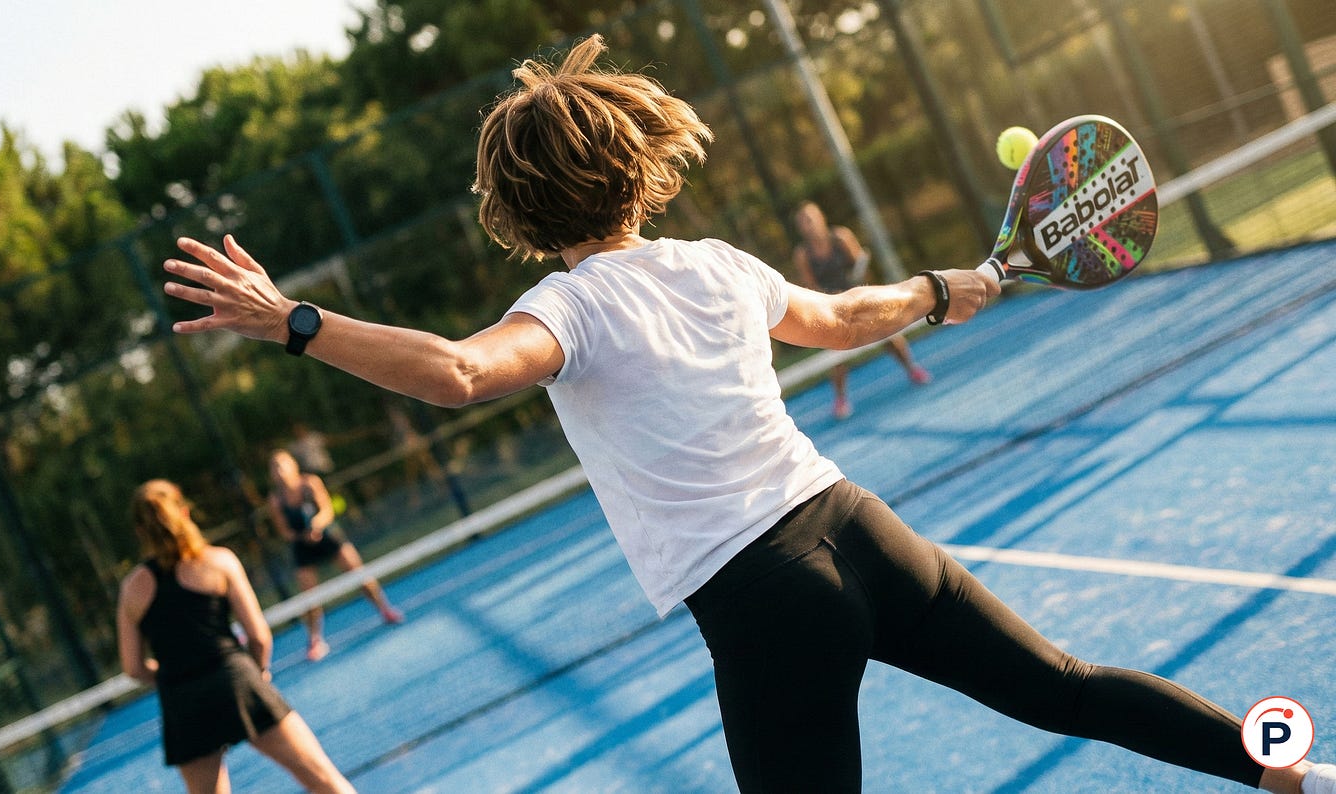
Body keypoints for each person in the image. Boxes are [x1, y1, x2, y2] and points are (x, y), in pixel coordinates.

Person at [161, 35, 1335, 794]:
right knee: (1069, 685)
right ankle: (1282, 768)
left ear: (515, 203)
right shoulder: (713, 260)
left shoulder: (564, 307)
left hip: (764, 598)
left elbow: (458, 373)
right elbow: (837, 316)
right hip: (860, 528)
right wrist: (934, 290)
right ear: (630, 163)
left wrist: (292, 321)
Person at [115, 480, 355, 794]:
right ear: (185, 513)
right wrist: (258, 673)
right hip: (236, 681)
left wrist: (174, 673)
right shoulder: (219, 561)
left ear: (139, 531)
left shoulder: (132, 588)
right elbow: (259, 637)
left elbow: (133, 668)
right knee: (323, 780)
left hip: (182, 703)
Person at [792, 200, 931, 419]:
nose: (807, 224)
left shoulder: (841, 237)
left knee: (890, 336)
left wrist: (854, 293)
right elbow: (810, 287)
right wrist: (834, 300)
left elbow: (860, 265)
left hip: (859, 298)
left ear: (821, 217)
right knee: (837, 355)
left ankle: (912, 369)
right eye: (802, 222)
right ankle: (840, 400)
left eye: (810, 218)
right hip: (830, 307)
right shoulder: (803, 254)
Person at [266, 448, 404, 661]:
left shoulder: (310, 483)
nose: (279, 471)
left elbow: (327, 509)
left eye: (282, 465)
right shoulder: (276, 500)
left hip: (328, 536)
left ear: (293, 465)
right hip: (302, 546)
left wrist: (316, 526)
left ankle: (385, 609)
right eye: (275, 467)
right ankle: (315, 640)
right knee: (309, 598)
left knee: (360, 576)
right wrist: (302, 536)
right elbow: (283, 531)